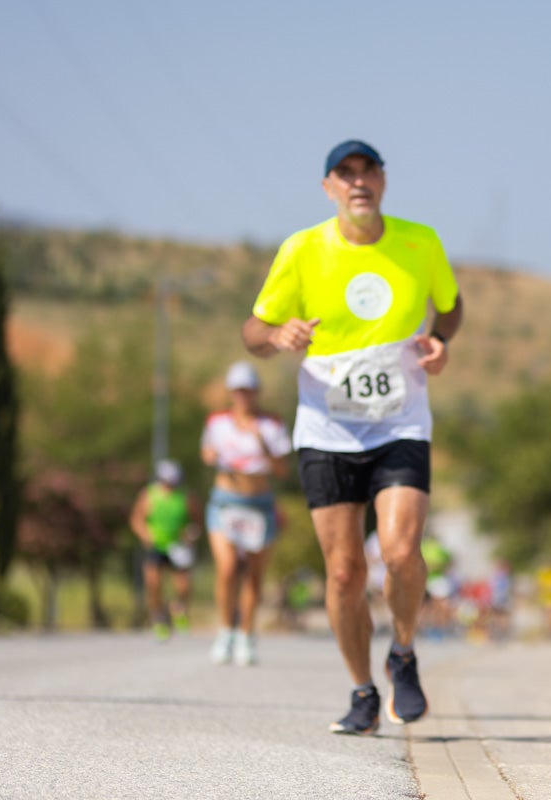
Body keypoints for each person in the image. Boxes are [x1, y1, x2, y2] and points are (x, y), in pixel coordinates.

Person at [241, 139, 463, 735]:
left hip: (400, 423)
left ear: (383, 182)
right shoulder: (302, 249)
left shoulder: (420, 242)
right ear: (329, 188)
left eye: (368, 171)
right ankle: (363, 690)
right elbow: (252, 329)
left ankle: (404, 651)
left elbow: (450, 306)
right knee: (343, 573)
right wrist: (276, 335)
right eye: (346, 173)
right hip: (326, 427)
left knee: (398, 553)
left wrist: (441, 341)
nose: (358, 181)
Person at [200, 360, 293, 666]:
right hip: (226, 502)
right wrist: (211, 456)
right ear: (231, 393)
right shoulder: (217, 422)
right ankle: (225, 629)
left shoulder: (272, 425)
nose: (244, 397)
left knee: (254, 575)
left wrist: (261, 442)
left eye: (249, 391)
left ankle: (245, 635)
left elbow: (282, 470)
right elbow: (207, 453)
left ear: (256, 392)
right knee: (227, 569)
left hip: (259, 505)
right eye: (238, 391)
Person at [128, 459, 202, 642]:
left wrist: (191, 533)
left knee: (183, 586)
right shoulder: (149, 495)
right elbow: (137, 519)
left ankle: (179, 609)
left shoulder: (186, 496)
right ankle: (158, 617)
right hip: (156, 546)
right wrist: (145, 535)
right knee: (153, 583)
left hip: (179, 547)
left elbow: (197, 520)